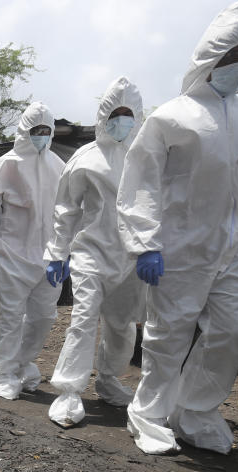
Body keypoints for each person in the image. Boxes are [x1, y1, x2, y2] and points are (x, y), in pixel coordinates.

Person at [116, 2, 238, 455]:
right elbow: (140, 182)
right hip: (179, 248)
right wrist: (145, 243)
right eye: (233, 54)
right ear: (210, 60)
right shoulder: (171, 117)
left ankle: (196, 410)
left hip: (232, 251)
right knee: (168, 337)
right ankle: (147, 415)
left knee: (230, 333)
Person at [45, 77, 145, 427]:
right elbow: (66, 210)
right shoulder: (84, 158)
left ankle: (109, 380)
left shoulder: (145, 154)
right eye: (116, 113)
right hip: (91, 253)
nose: (123, 120)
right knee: (83, 318)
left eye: (128, 113)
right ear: (103, 116)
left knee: (122, 325)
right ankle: (69, 391)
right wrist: (57, 253)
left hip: (132, 256)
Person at [0, 101, 66, 399]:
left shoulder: (59, 167)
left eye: (45, 131)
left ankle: (22, 363)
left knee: (43, 317)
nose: (41, 135)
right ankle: (5, 371)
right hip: (11, 254)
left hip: (48, 257)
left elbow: (69, 213)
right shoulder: (6, 166)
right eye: (35, 130)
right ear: (24, 131)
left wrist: (64, 253)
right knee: (11, 317)